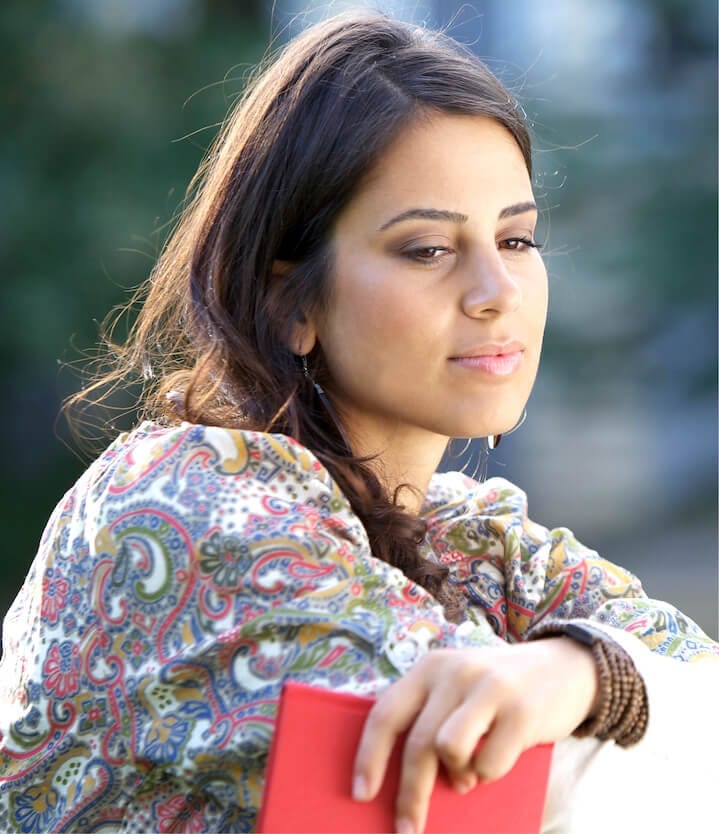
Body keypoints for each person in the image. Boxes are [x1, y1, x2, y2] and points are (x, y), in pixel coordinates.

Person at [0, 10, 717, 834]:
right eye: (426, 249)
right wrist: (604, 689)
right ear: (288, 301)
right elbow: (495, 796)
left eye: (516, 239)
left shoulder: (480, 545)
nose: (497, 291)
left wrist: (580, 675)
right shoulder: (183, 507)